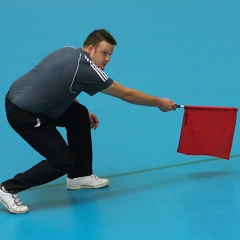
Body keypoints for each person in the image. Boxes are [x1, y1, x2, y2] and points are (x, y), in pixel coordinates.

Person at [0, 29, 176, 214]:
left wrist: (71, 105)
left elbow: (56, 83)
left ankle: (80, 175)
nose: (107, 59)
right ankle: (8, 188)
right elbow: (125, 93)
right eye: (104, 53)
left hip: (23, 97)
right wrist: (159, 102)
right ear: (91, 49)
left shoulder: (68, 50)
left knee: (79, 114)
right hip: (25, 113)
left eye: (110, 54)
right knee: (62, 161)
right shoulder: (87, 71)